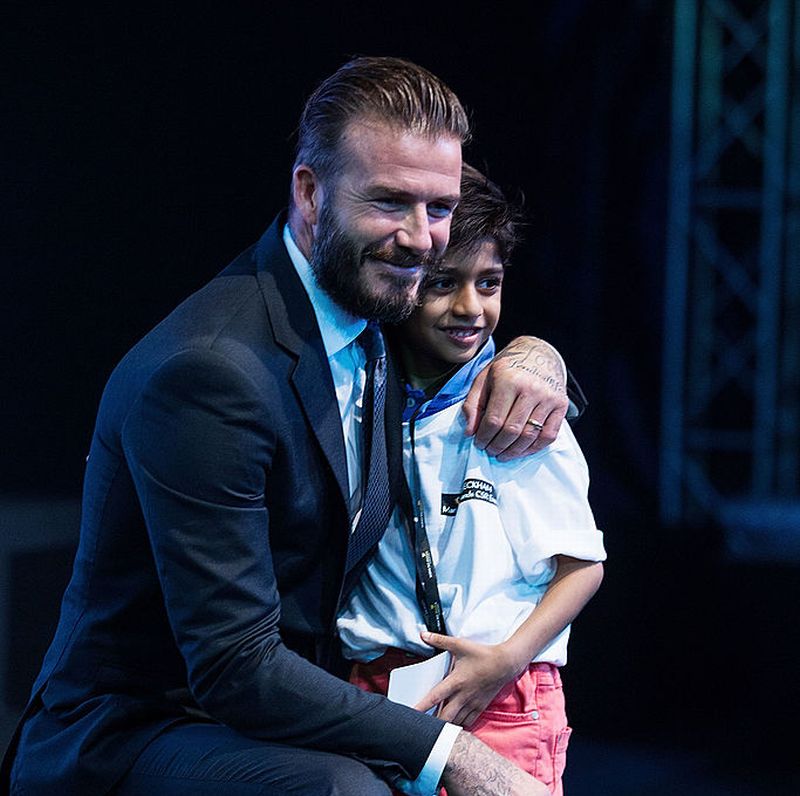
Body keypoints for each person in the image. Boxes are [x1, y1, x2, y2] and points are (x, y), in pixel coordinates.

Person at [3, 57, 576, 796]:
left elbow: (475, 352)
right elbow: (234, 666)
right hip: (143, 728)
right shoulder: (212, 372)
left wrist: (539, 357)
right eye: (390, 202)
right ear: (310, 192)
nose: (421, 238)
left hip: (287, 709)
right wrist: (454, 755)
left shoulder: (376, 308)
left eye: (439, 208)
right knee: (348, 791)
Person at [339, 164, 606, 795]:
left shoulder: (521, 413)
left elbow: (583, 566)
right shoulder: (356, 394)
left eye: (489, 283)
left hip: (501, 693)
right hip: (375, 688)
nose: (470, 307)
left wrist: (506, 660)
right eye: (444, 283)